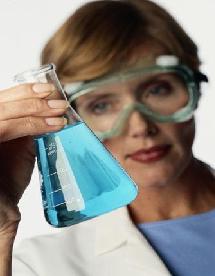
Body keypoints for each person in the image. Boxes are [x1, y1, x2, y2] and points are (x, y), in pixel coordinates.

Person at [0, 0, 214, 275]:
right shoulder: (38, 265)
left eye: (158, 90)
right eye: (101, 105)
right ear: (68, 118)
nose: (139, 126)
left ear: (194, 86)